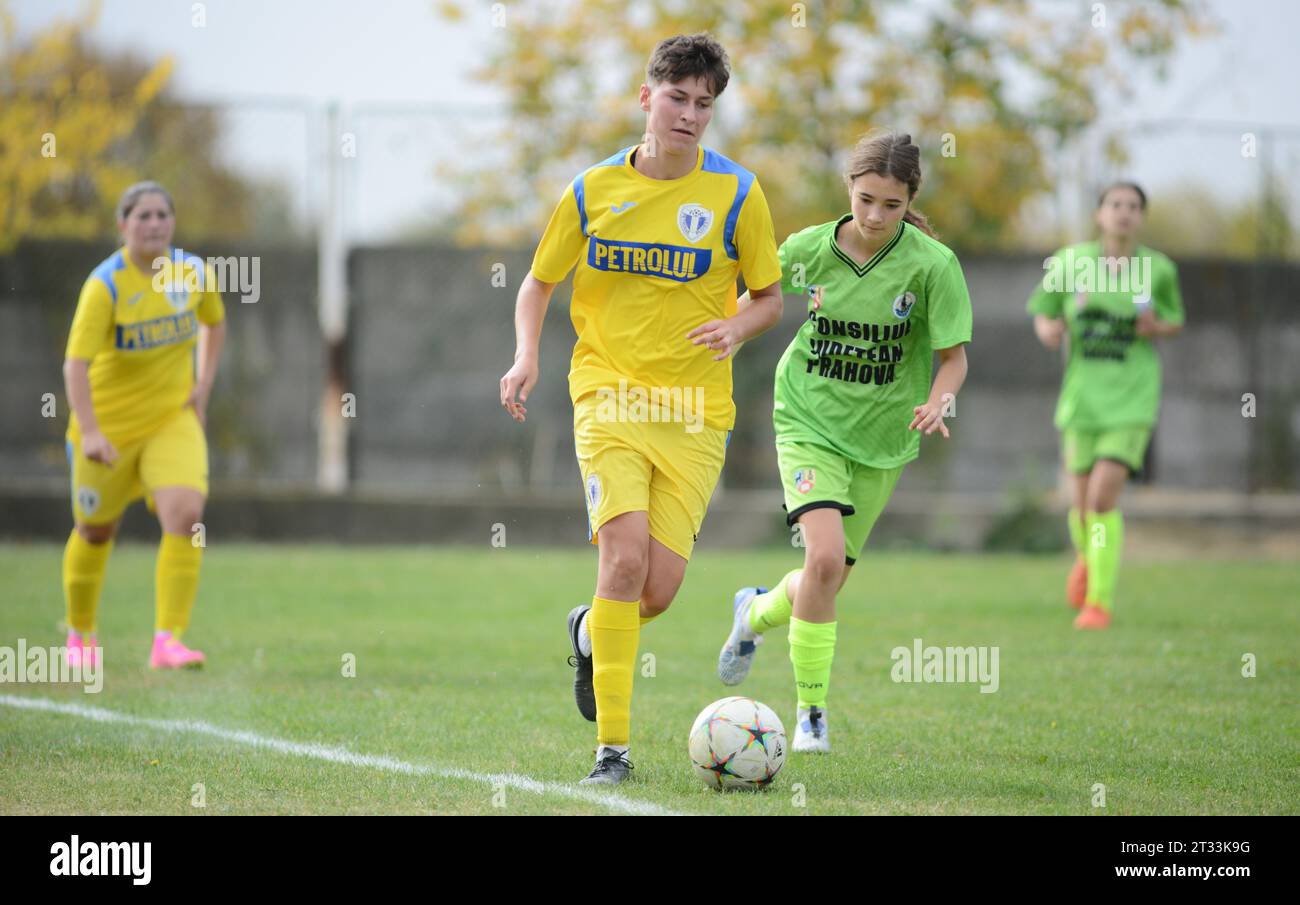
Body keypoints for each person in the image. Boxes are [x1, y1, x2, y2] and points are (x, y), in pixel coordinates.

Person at [499, 34, 784, 784]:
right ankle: (613, 752)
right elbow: (537, 283)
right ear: (645, 97)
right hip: (608, 396)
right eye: (678, 98)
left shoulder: (738, 195)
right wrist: (527, 354)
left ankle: (590, 629)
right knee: (621, 560)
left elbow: (770, 298)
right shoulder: (592, 190)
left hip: (696, 414)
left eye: (704, 104)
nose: (690, 114)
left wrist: (738, 324)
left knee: (655, 589)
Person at [717, 132, 972, 753]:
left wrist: (939, 399)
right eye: (865, 200)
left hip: (884, 439)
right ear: (848, 190)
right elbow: (758, 295)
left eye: (891, 204)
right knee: (824, 560)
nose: (876, 216)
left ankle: (752, 614)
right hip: (807, 418)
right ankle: (810, 717)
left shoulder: (932, 265)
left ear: (911, 198)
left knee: (822, 582)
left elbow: (953, 358)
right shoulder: (808, 250)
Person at [62, 181, 226, 669]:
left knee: (187, 515)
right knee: (95, 530)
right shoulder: (105, 286)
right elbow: (75, 365)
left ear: (173, 223)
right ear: (123, 225)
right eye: (143, 216)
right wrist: (90, 432)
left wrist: (203, 384)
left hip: (170, 421)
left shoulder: (194, 273)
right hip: (107, 430)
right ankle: (80, 636)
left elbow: (214, 323)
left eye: (162, 215)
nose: (154, 224)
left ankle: (167, 640)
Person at [1026, 181, 1183, 629]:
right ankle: (1088, 558)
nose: (1124, 213)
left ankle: (1099, 601)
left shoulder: (1159, 270)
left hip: (1132, 401)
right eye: (1115, 205)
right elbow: (1043, 309)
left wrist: (1157, 327)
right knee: (1079, 509)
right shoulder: (1069, 262)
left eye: (1134, 206)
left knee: (1100, 500)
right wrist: (1048, 330)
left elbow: (1175, 320)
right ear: (1100, 214)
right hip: (1082, 403)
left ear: (1142, 217)